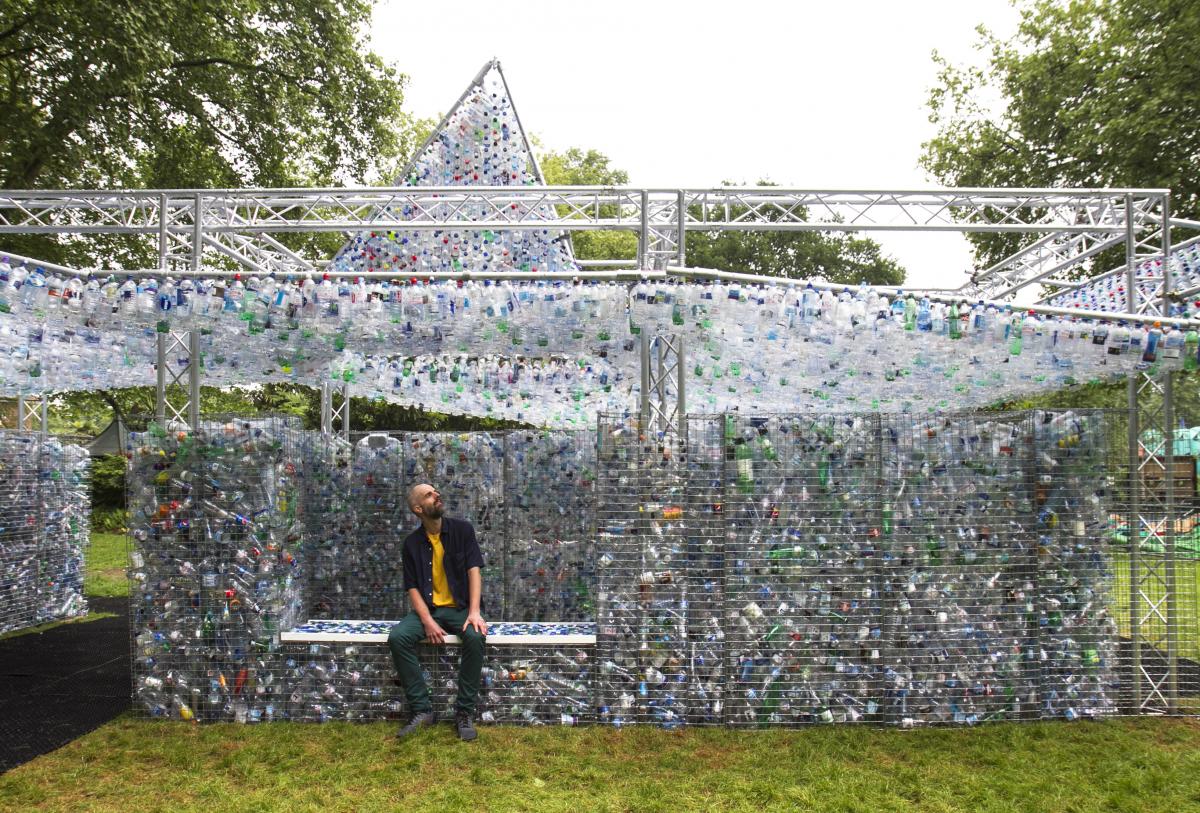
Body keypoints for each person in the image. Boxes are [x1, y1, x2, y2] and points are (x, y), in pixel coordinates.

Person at [387, 483, 488, 741]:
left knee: (475, 638)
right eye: (429, 495)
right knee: (398, 637)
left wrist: (474, 612)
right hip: (430, 610)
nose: (437, 495)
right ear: (418, 508)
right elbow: (412, 588)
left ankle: (463, 713)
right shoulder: (411, 544)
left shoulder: (462, 531)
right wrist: (427, 621)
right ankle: (422, 711)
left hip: (460, 609)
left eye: (436, 491)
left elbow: (474, 570)